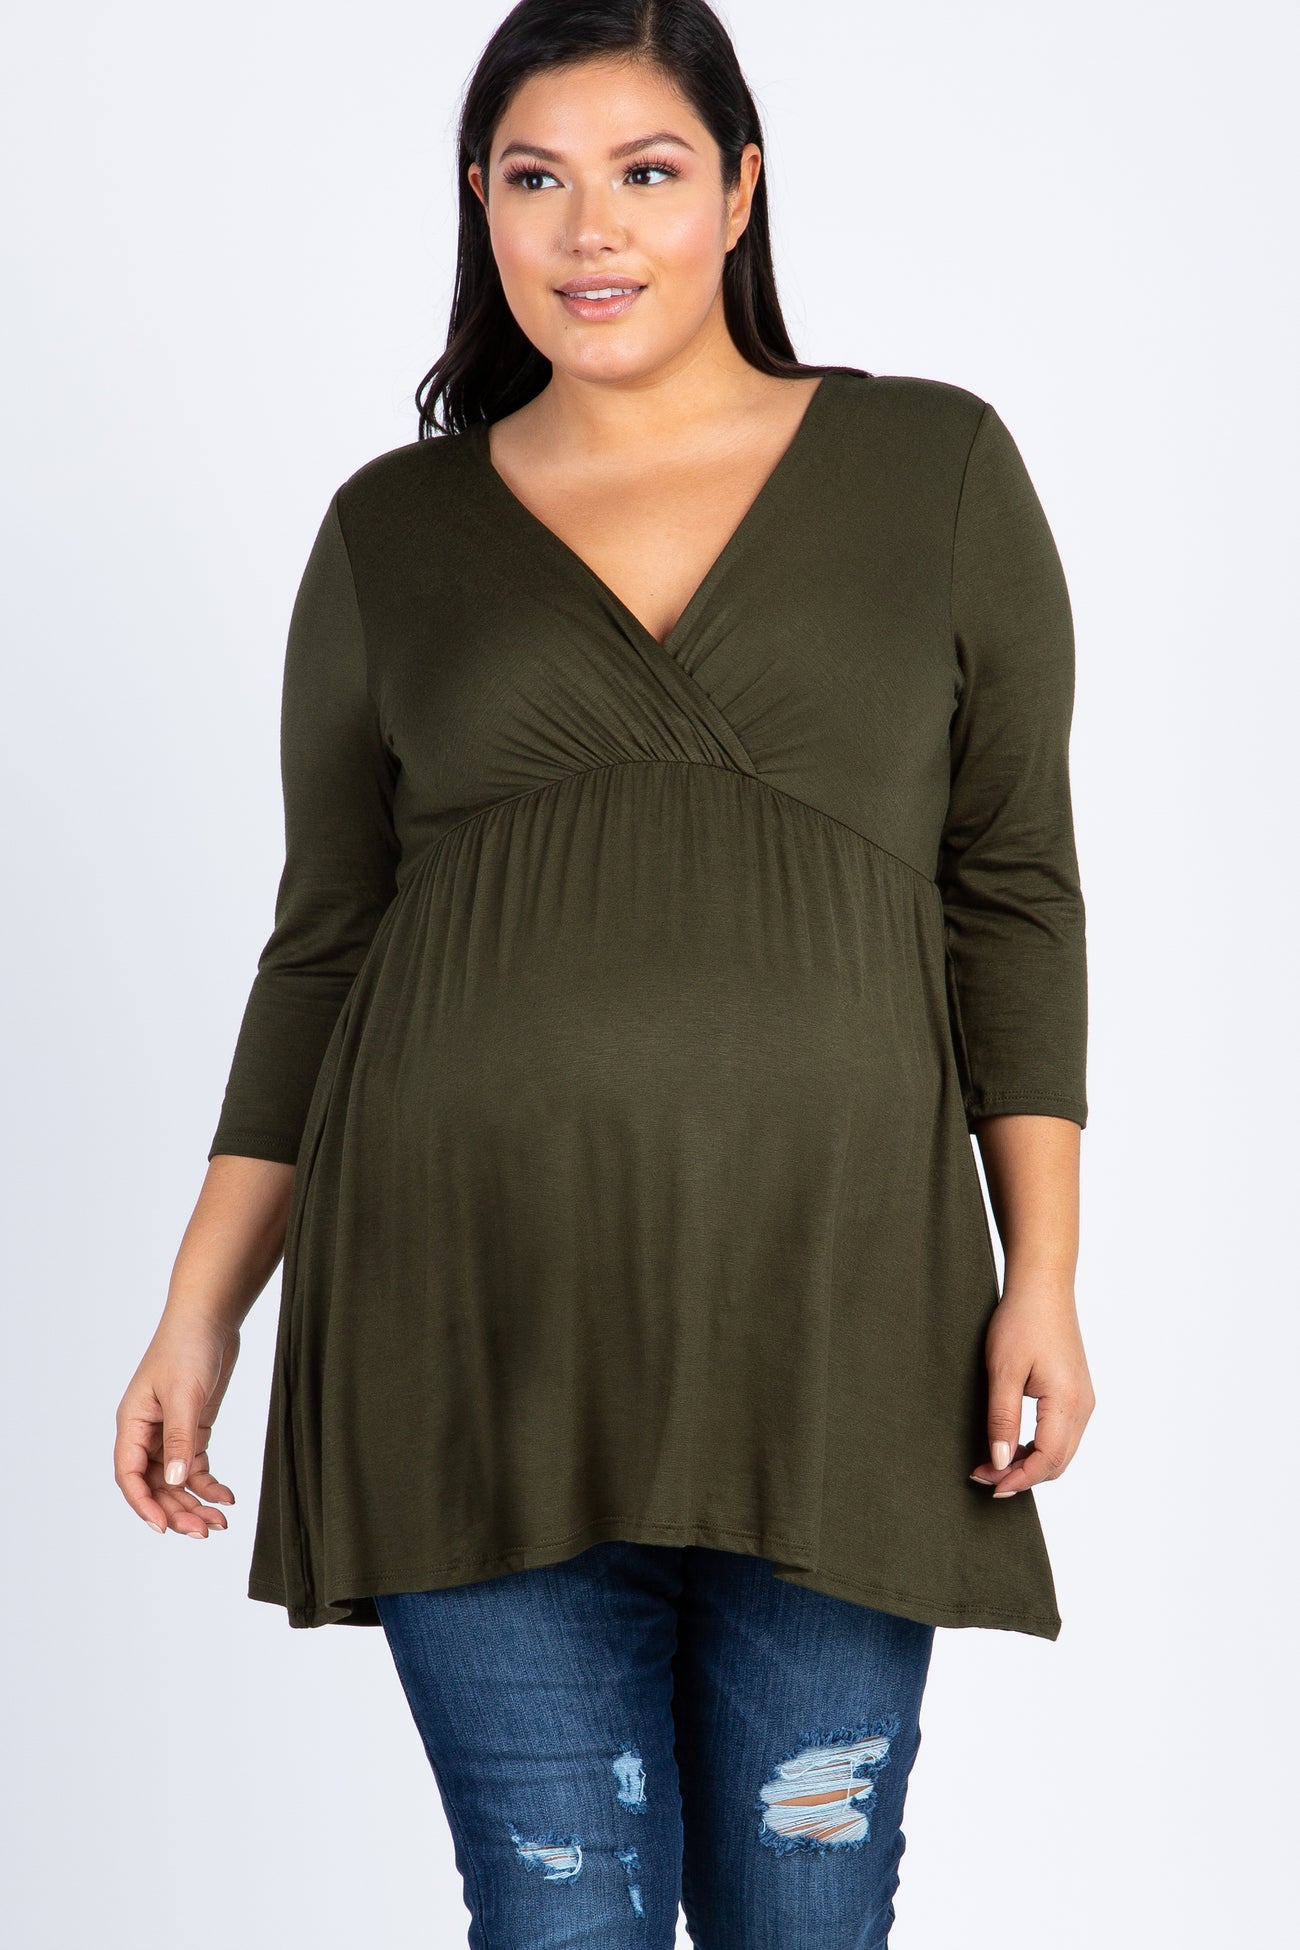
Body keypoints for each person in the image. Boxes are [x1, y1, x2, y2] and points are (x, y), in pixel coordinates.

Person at [114, 2, 1096, 1943]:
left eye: (645, 171)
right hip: (464, 1332)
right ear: (476, 206)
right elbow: (324, 941)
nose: (589, 228)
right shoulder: (394, 532)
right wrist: (199, 1311)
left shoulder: (936, 470)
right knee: (558, 1918)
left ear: (738, 191)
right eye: (532, 178)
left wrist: (1041, 1271)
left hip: (838, 1329)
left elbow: (1011, 892)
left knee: (808, 1909)